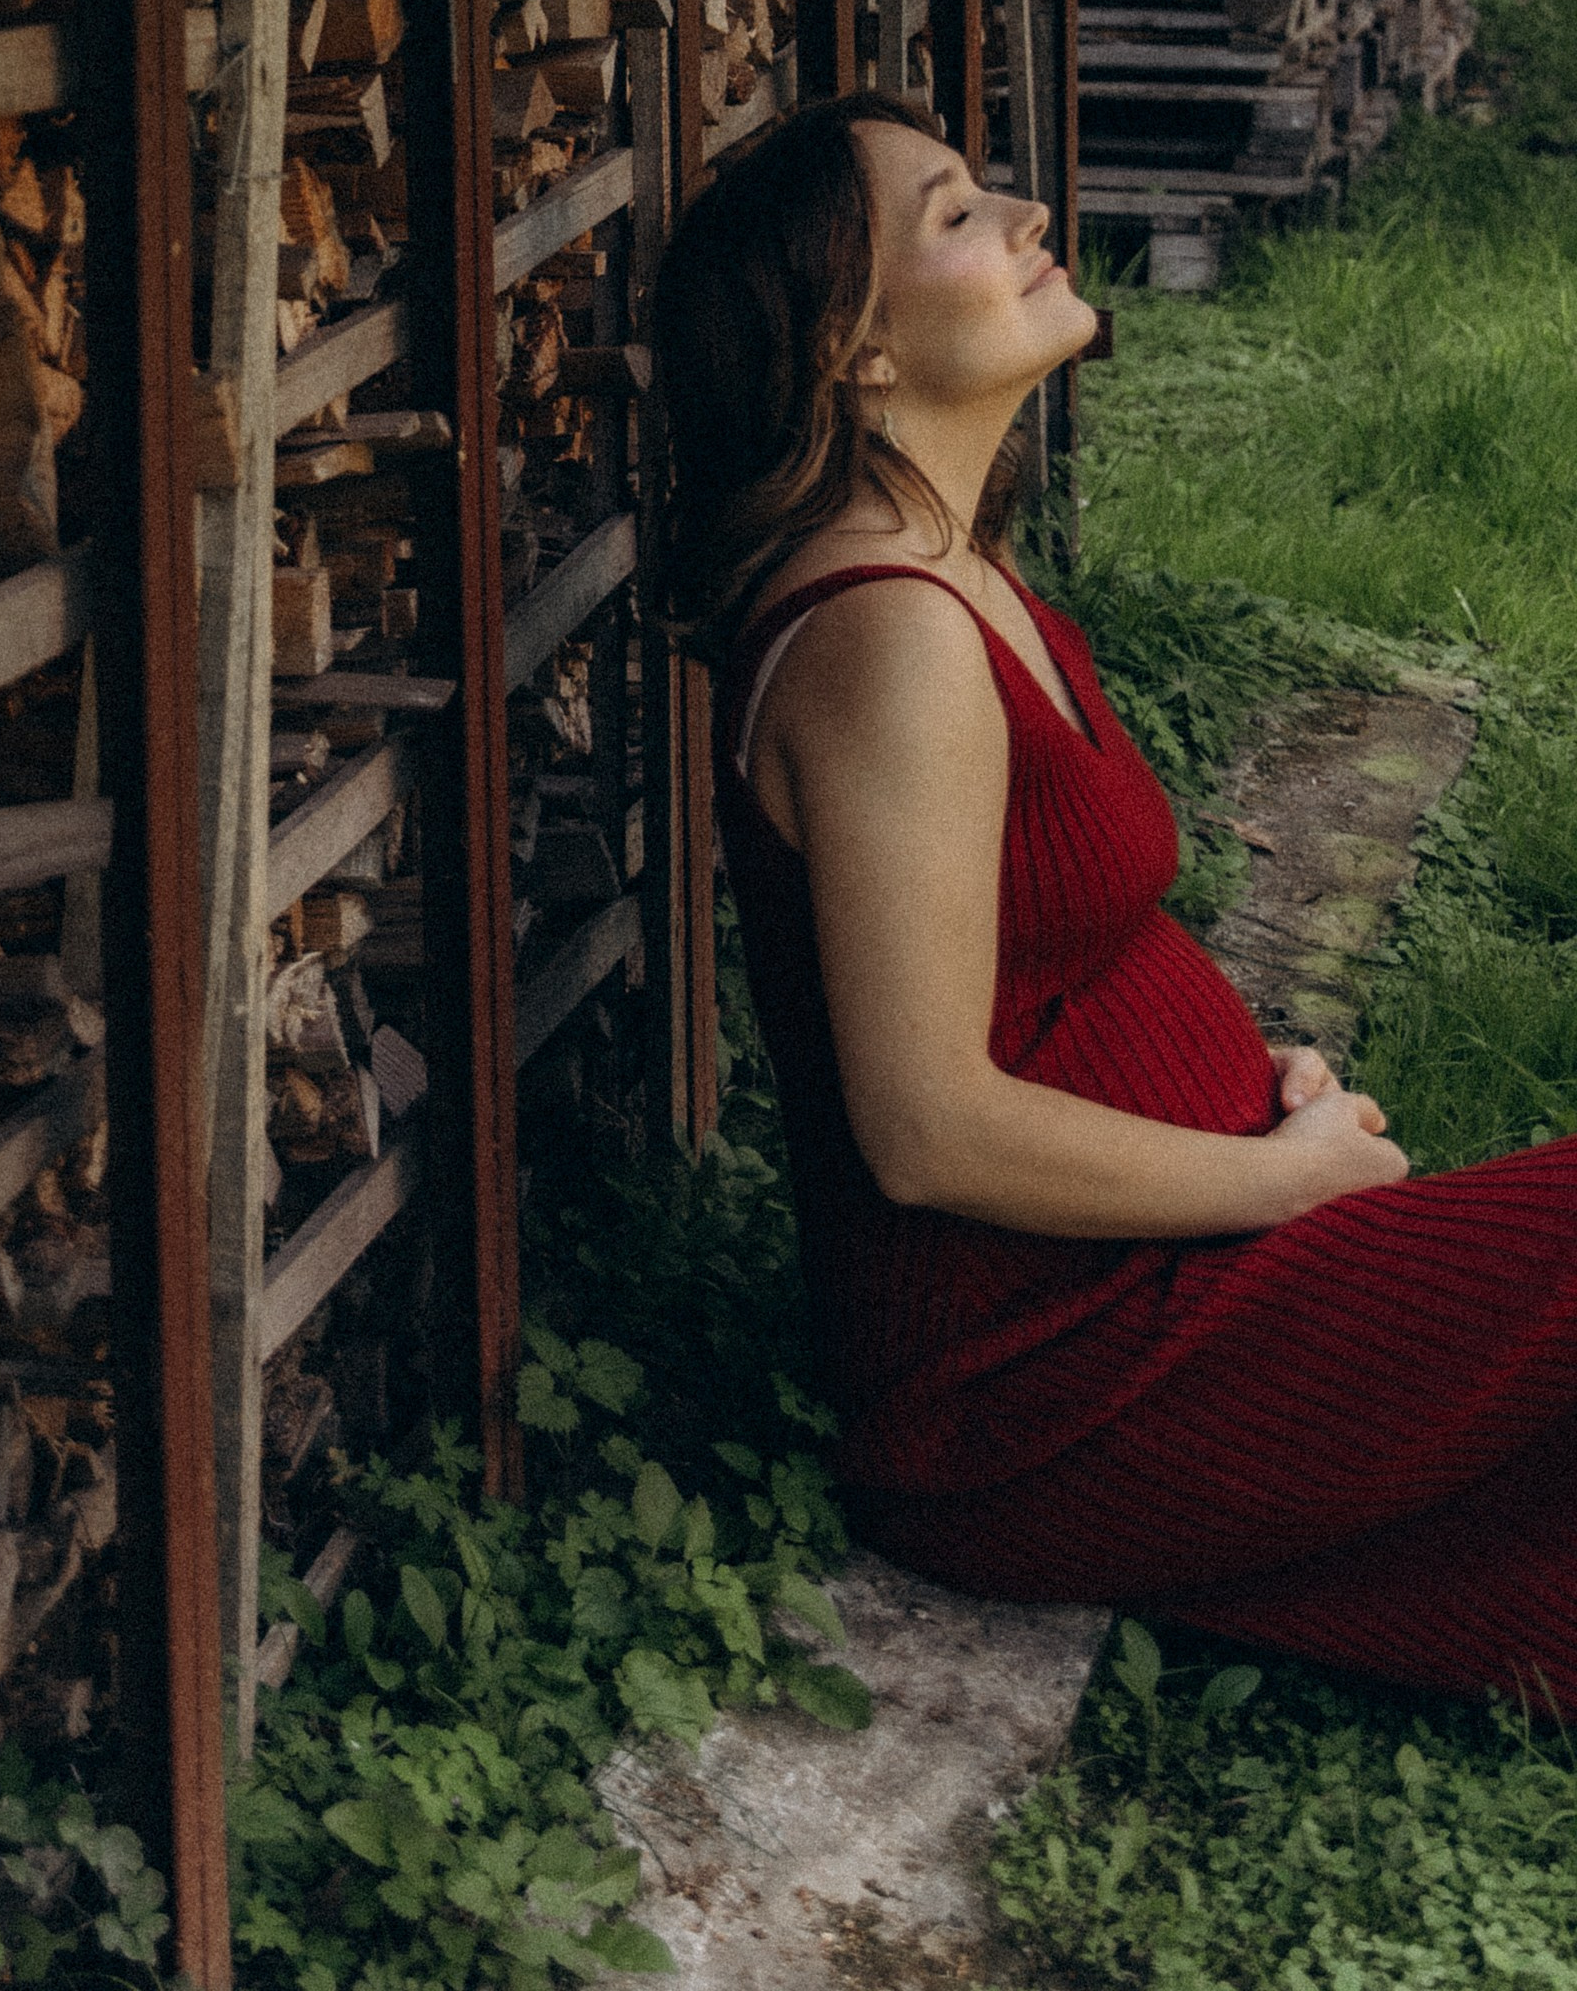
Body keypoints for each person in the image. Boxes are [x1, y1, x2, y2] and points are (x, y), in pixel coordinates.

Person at [657, 91, 1577, 1703]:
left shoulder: (955, 569)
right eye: (952, 213)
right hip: (1042, 1391)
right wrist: (1282, 1187)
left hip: (1163, 1292)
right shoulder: (886, 638)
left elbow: (1059, 978)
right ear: (854, 352)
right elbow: (925, 1124)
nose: (1022, 216)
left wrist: (1255, 1109)